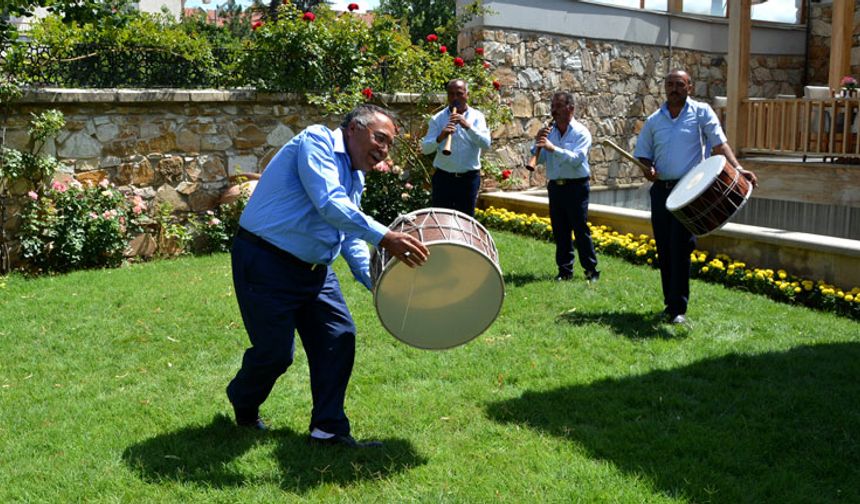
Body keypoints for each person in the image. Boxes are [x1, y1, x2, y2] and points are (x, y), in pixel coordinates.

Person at [226, 104, 429, 448]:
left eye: (389, 144)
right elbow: (329, 203)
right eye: (380, 138)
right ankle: (243, 401)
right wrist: (385, 237)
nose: (384, 149)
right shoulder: (316, 140)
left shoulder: (355, 174)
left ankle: (328, 430)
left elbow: (347, 232)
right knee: (276, 354)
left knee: (339, 336)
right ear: (353, 129)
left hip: (315, 270)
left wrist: (376, 281)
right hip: (265, 260)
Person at [634, 69, 758, 325]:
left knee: (680, 248)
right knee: (665, 249)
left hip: (689, 193)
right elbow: (643, 153)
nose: (674, 89)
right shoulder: (654, 120)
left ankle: (678, 308)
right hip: (661, 193)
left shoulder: (701, 112)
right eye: (669, 85)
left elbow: (719, 144)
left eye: (679, 84)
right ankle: (670, 304)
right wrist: (648, 168)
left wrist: (738, 168)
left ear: (689, 87)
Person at [532, 91, 600, 283]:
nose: (553, 110)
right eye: (553, 106)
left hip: (576, 186)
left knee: (580, 229)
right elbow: (540, 158)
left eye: (558, 106)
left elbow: (578, 160)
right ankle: (564, 271)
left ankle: (591, 270)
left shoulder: (581, 132)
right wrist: (537, 142)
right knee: (560, 229)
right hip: (556, 187)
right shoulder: (550, 131)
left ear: (570, 108)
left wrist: (554, 148)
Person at [421, 78, 492, 216]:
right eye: (451, 94)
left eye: (459, 93)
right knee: (441, 220)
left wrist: (467, 126)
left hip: (468, 179)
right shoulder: (438, 118)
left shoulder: (478, 117)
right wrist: (440, 137)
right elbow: (425, 149)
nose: (455, 98)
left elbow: (485, 144)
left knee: (465, 221)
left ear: (467, 95)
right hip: (443, 179)